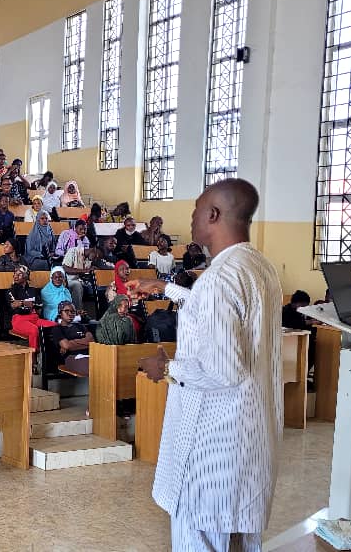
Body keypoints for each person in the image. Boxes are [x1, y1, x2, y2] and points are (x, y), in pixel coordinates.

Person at [129, 179, 281, 551]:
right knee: (239, 539)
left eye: (197, 210)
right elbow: (222, 311)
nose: (192, 218)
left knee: (201, 538)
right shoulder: (258, 267)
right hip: (250, 436)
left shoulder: (217, 280)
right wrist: (164, 288)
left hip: (213, 446)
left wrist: (165, 368)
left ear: (213, 215)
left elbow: (222, 370)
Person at [8, 266, 56, 350]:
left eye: (19, 274)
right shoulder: (11, 290)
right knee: (34, 330)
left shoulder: (33, 290)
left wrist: (27, 304)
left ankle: (51, 353)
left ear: (26, 276)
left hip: (34, 317)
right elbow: (13, 304)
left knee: (55, 326)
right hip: (19, 319)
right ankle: (33, 357)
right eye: (14, 274)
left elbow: (40, 305)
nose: (15, 276)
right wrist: (24, 303)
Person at [51, 300, 95, 376]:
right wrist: (85, 342)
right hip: (71, 357)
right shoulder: (57, 329)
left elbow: (91, 340)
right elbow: (66, 346)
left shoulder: (80, 326)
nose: (70, 314)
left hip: (88, 355)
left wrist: (71, 343)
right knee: (93, 368)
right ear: (60, 313)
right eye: (66, 311)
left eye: (73, 311)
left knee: (105, 362)